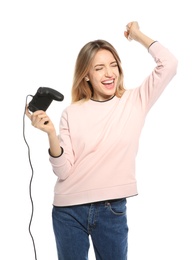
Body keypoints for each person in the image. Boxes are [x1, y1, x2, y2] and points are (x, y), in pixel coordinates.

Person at [26, 21, 178, 260]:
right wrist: (51, 135)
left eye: (113, 65)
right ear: (86, 75)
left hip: (112, 211)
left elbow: (169, 64)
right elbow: (64, 170)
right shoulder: (72, 112)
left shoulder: (135, 100)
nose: (109, 73)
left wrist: (137, 35)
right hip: (68, 211)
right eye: (99, 68)